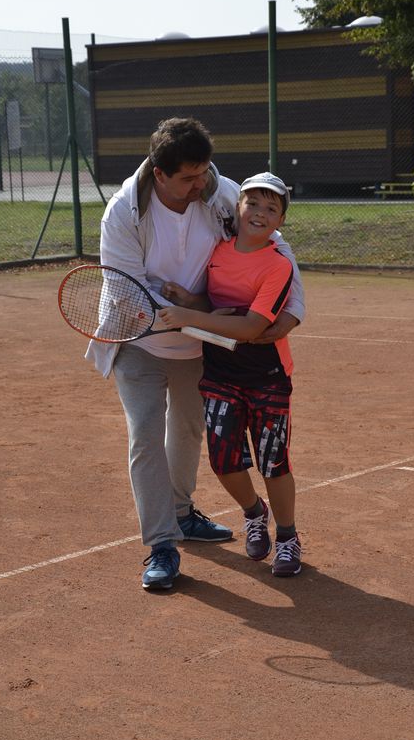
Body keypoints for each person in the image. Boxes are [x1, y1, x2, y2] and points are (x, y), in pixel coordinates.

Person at [85, 118, 305, 590]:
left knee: (188, 429)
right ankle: (161, 544)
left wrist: (293, 312)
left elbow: (277, 247)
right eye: (188, 177)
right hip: (138, 337)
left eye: (204, 172)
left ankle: (183, 514)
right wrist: (191, 315)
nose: (199, 183)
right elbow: (125, 289)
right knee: (146, 435)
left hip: (198, 342)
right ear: (159, 174)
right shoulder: (122, 212)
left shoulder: (221, 192)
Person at [159, 172, 302, 577]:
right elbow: (218, 305)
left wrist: (188, 316)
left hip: (267, 375)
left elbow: (252, 327)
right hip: (220, 375)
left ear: (280, 222)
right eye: (252, 203)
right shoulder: (217, 252)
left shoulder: (278, 265)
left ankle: (287, 537)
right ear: (237, 208)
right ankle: (255, 512)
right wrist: (192, 300)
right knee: (224, 462)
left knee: (273, 463)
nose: (259, 213)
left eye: (271, 208)